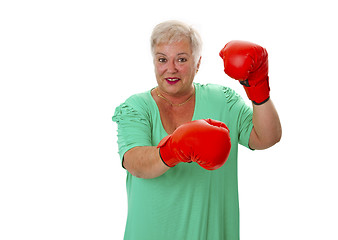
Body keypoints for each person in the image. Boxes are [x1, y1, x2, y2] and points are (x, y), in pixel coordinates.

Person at [112, 20, 281, 240]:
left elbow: (268, 137)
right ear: (154, 62)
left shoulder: (222, 101)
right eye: (162, 59)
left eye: (181, 59)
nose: (171, 68)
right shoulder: (136, 107)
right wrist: (176, 148)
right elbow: (135, 163)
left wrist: (258, 86)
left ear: (198, 63)